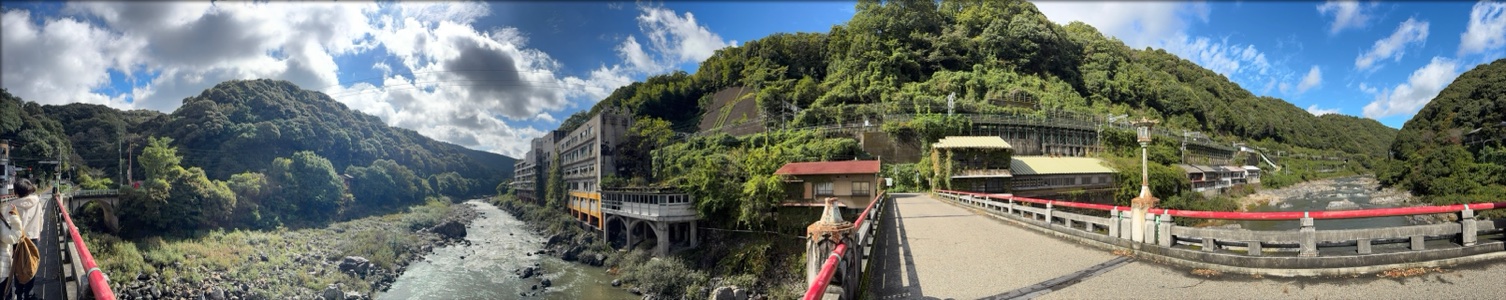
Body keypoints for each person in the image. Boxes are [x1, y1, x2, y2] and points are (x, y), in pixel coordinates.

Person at [3, 180, 40, 300]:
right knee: (31, 266)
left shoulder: (12, 205)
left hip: (17, 242)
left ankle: (19, 294)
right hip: (33, 240)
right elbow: (41, 221)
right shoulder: (37, 202)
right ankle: (29, 294)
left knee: (18, 268)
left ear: (16, 191)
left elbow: (6, 226)